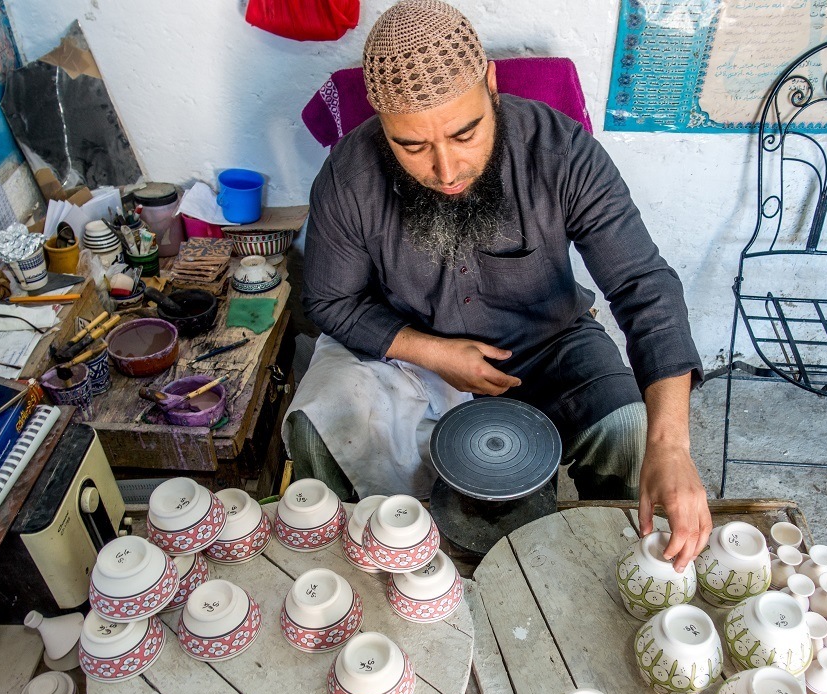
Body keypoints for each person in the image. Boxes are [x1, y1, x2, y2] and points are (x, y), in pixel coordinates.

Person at [286, 0, 711, 568]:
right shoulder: (350, 173)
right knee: (316, 428)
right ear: (381, 122)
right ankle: (353, 579)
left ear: (490, 82)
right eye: (411, 145)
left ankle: (614, 579)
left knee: (632, 431)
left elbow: (643, 284)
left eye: (465, 133)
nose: (446, 169)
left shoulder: (560, 152)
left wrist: (672, 446)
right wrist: (431, 351)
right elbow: (331, 301)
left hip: (548, 346)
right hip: (403, 352)